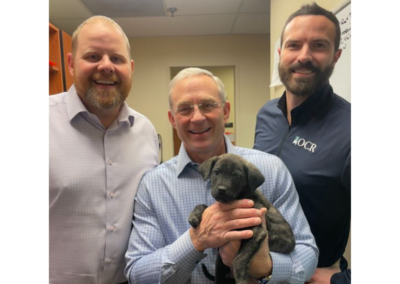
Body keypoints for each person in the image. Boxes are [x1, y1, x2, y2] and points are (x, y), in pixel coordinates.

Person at [125, 67, 318, 284]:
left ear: (225, 111)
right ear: (172, 118)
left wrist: (264, 267)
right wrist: (195, 241)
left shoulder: (271, 170)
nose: (197, 117)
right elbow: (137, 273)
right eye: (185, 109)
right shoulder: (152, 185)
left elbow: (307, 252)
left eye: (208, 105)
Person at [49, 16, 159, 284]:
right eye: (93, 56)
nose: (106, 66)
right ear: (71, 64)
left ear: (131, 68)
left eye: (117, 59)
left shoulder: (147, 132)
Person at [254, 3, 351, 284]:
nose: (304, 56)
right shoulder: (267, 114)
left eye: (319, 45)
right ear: (280, 53)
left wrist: (342, 280)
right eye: (294, 45)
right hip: (259, 271)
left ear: (336, 56)